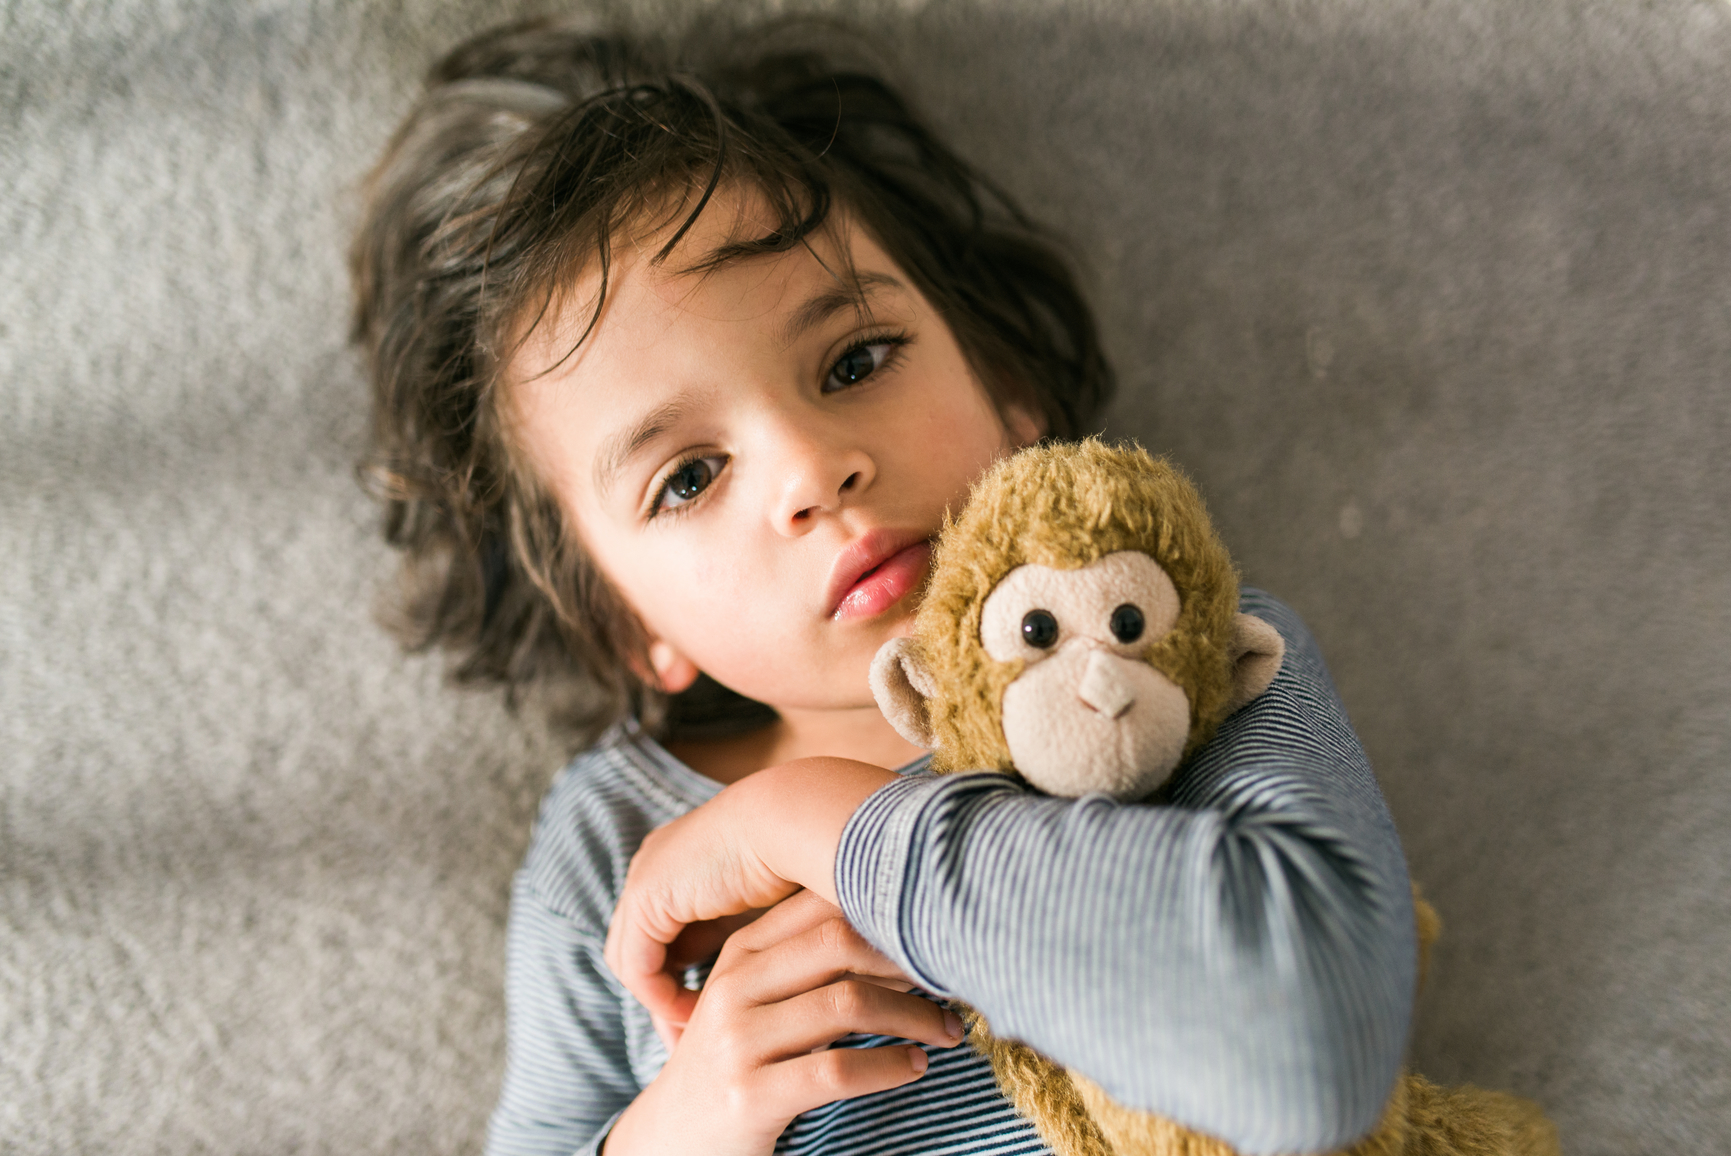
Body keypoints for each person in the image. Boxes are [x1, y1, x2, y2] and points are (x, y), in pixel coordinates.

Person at [349, 15, 1418, 1156]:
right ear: (625, 623)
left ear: (1007, 389)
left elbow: (1320, 1050)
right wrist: (682, 1124)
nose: (814, 469)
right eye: (691, 476)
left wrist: (820, 821)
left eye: (855, 362)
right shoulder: (613, 850)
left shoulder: (1176, 652)